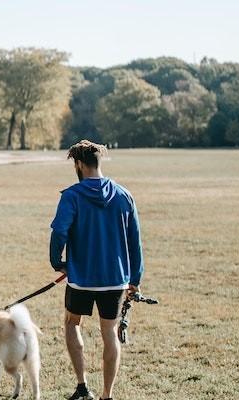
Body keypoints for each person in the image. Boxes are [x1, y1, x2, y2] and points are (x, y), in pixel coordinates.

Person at [50, 140, 144, 400]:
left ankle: (82, 387)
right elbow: (135, 241)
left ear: (79, 164)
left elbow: (59, 231)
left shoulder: (72, 195)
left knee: (71, 323)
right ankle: (106, 395)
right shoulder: (125, 195)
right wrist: (135, 279)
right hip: (115, 279)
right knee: (110, 333)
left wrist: (57, 262)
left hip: (80, 279)